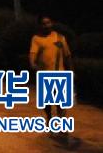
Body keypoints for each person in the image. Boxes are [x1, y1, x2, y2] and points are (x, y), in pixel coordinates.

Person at [30, 15, 74, 144]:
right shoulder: (37, 39)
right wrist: (34, 65)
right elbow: (32, 57)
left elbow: (68, 55)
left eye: (48, 23)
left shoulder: (60, 37)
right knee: (47, 103)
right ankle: (49, 119)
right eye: (44, 24)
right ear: (40, 26)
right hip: (45, 75)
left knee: (61, 103)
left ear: (52, 23)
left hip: (60, 74)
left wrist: (71, 70)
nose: (46, 25)